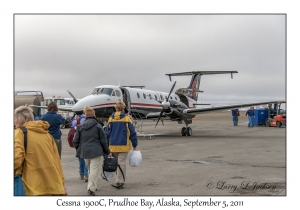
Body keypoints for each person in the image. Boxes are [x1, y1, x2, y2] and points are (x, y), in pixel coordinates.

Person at [14, 106, 66, 195]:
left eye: (14, 118)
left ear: (19, 119)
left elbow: (16, 160)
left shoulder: (19, 133)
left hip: (31, 187)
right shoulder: (47, 135)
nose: (14, 122)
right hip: (52, 185)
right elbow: (57, 161)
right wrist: (62, 184)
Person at [73, 106, 111, 196]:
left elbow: (75, 140)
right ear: (94, 115)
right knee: (93, 170)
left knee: (90, 169)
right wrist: (107, 151)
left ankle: (93, 186)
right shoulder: (98, 126)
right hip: (96, 151)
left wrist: (78, 148)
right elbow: (103, 140)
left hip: (85, 151)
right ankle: (91, 188)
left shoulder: (80, 126)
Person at [105, 101, 138, 189]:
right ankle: (119, 181)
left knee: (115, 163)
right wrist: (135, 144)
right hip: (124, 145)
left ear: (115, 108)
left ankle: (118, 178)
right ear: (123, 108)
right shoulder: (126, 119)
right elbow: (132, 133)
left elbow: (107, 133)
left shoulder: (110, 119)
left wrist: (106, 146)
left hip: (112, 145)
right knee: (122, 163)